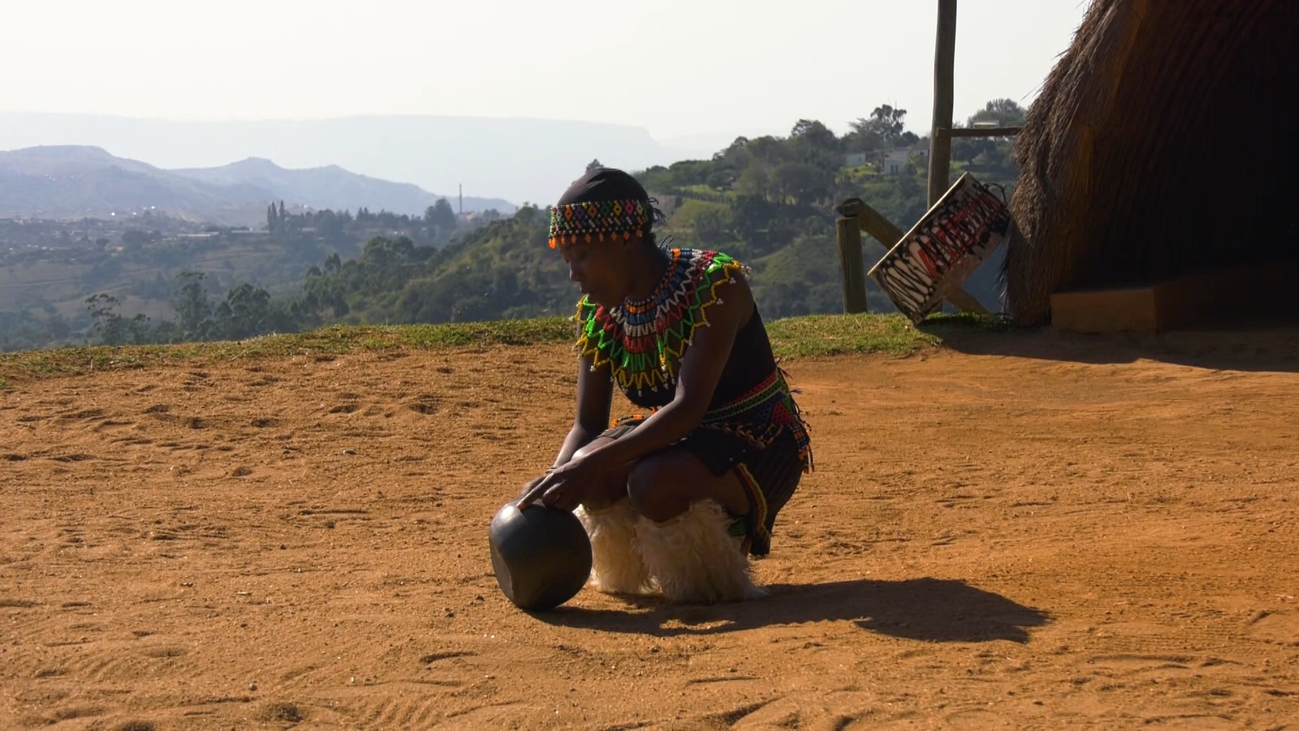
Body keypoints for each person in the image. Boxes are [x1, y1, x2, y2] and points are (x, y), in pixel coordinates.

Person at [517, 167, 811, 604]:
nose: (573, 274)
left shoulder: (714, 285)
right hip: (680, 437)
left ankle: (716, 562)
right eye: (568, 260)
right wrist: (554, 481)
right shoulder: (600, 314)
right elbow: (587, 423)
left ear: (624, 239)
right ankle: (640, 566)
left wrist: (587, 467)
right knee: (590, 470)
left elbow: (689, 406)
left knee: (651, 481)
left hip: (758, 437)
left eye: (580, 255)